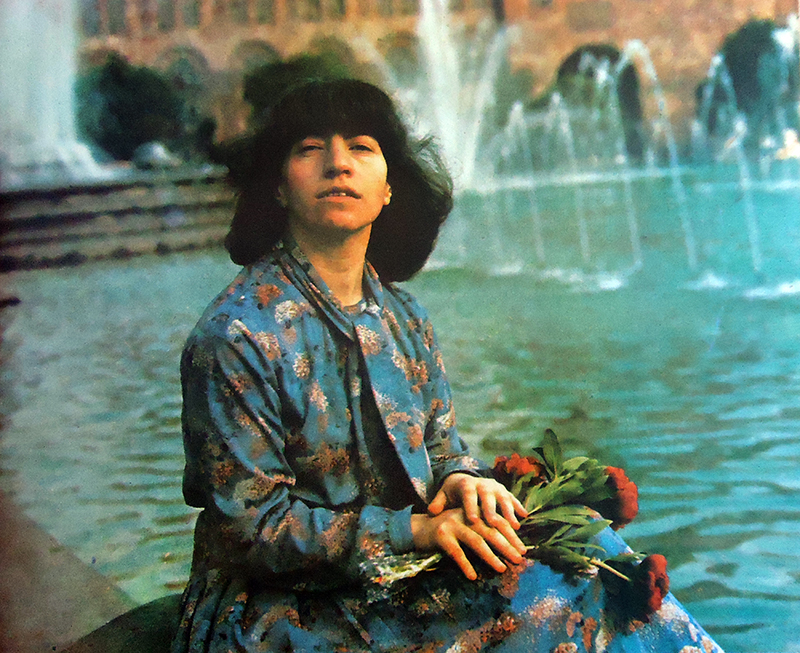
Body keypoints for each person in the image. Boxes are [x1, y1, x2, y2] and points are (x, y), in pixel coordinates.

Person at [172, 78, 724, 653]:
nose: (338, 164)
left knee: (598, 553)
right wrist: (414, 530)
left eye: (361, 147)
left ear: (389, 188)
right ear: (279, 187)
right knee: (550, 602)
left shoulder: (403, 317)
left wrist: (462, 480)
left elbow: (437, 446)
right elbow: (250, 529)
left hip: (401, 573)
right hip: (278, 610)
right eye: (310, 149)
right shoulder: (236, 337)